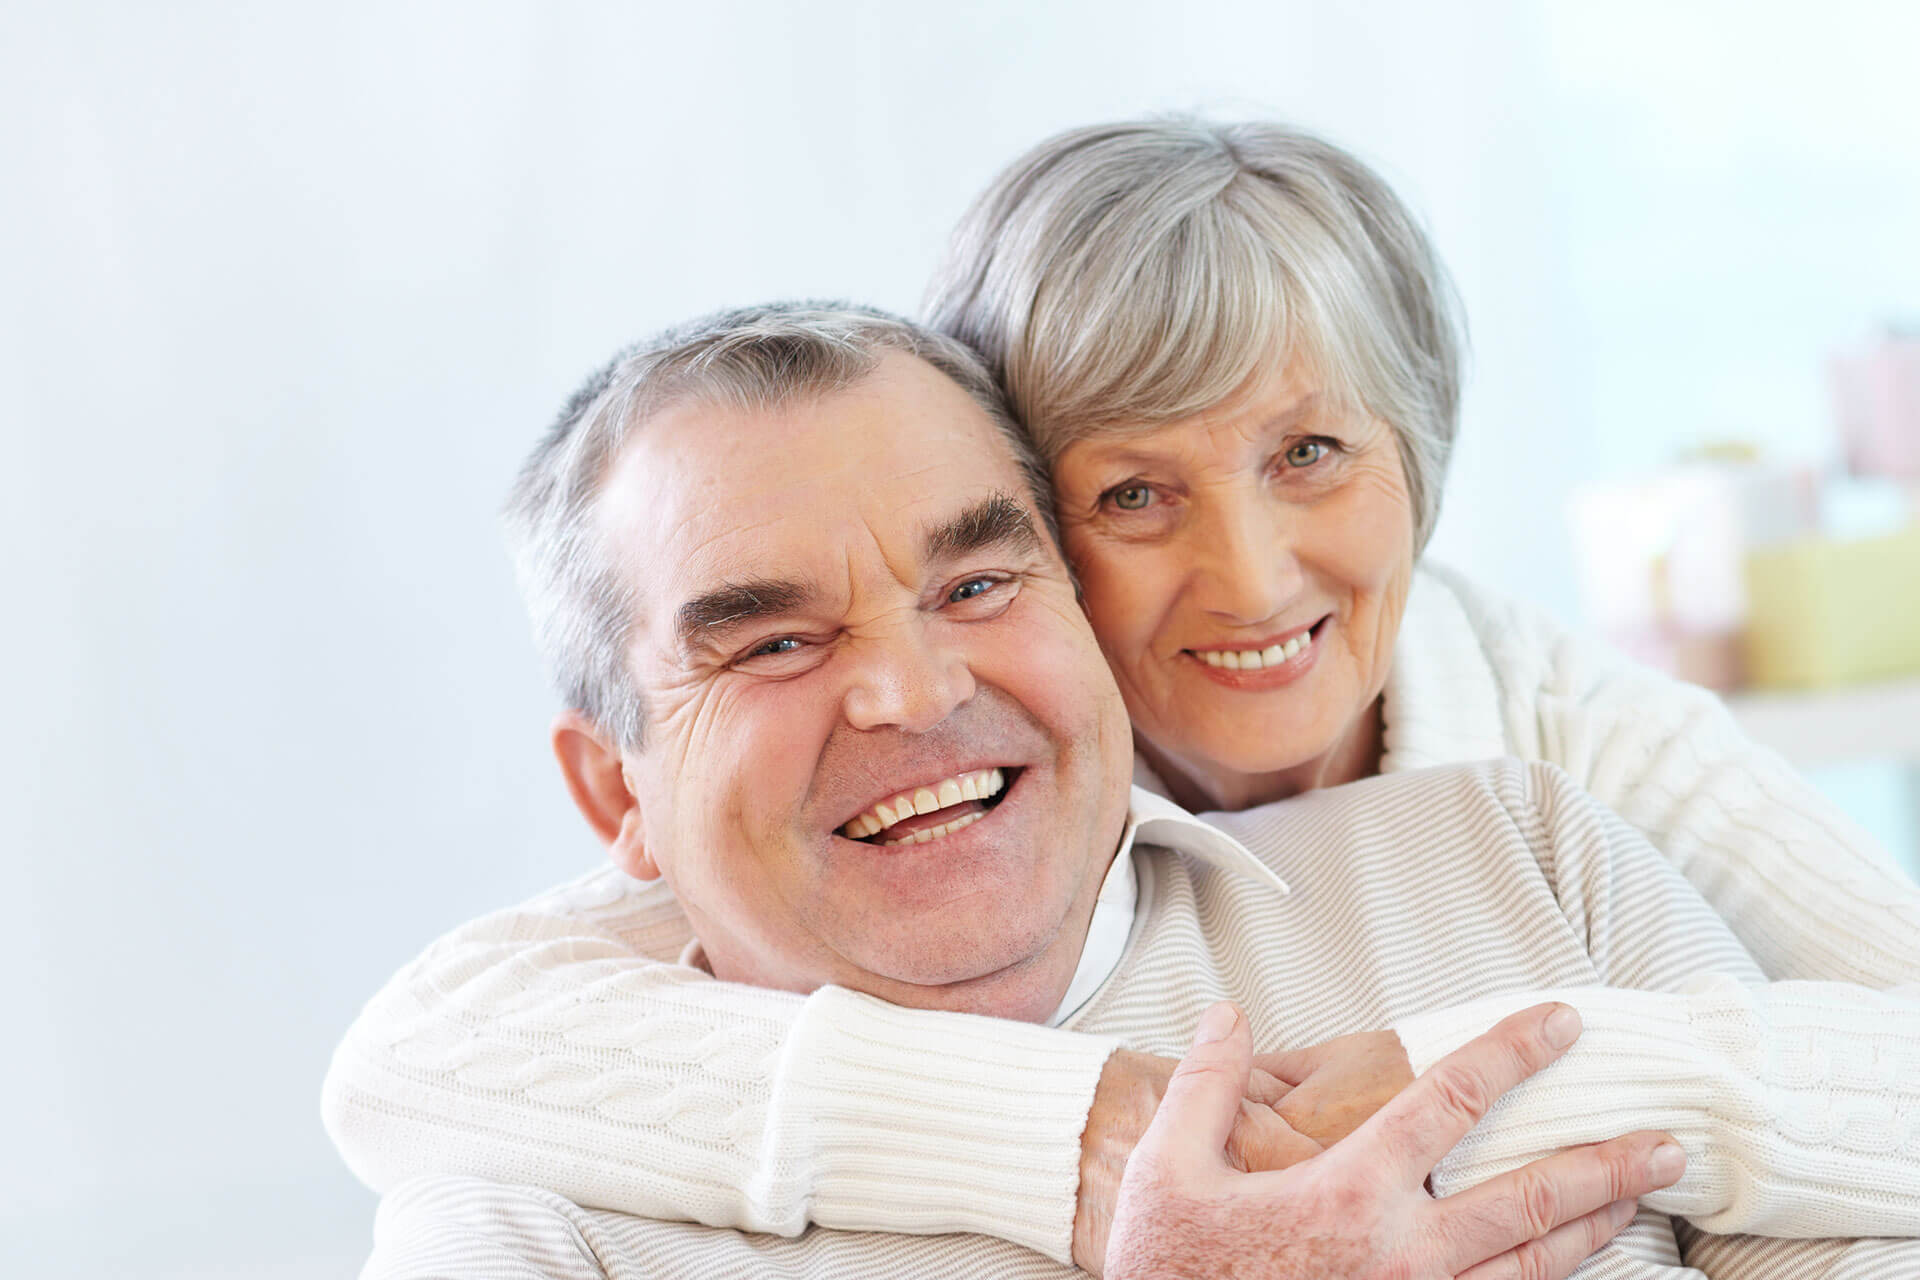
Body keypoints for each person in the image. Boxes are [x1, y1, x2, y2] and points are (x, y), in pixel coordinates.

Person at [325, 118, 1920, 1267]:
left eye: (1311, 452)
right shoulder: (562, 1152)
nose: (1249, 577)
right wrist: (1083, 1138)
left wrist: (1525, 1076)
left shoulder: (1543, 802)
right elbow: (418, 1053)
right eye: (1136, 497)